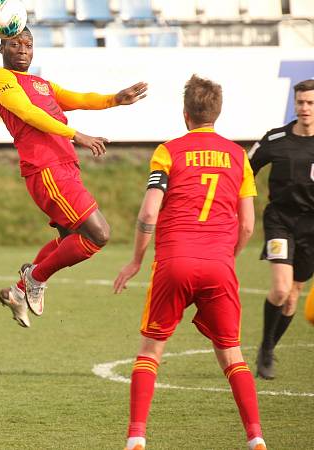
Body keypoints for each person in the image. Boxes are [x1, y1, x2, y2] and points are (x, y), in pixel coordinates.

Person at [113, 75, 265, 450]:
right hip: (219, 266)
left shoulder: (168, 151)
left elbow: (150, 209)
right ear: (218, 112)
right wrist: (226, 258)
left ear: (185, 114)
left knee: (151, 350)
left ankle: (136, 437)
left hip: (174, 262)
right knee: (232, 354)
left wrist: (135, 259)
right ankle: (256, 436)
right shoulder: (238, 157)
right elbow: (247, 224)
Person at [0, 27, 148, 327]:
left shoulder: (40, 83)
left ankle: (20, 291)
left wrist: (115, 99)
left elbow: (78, 98)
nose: (22, 49)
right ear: (2, 49)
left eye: (28, 44)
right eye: (14, 44)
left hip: (64, 167)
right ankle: (35, 277)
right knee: (99, 234)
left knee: (70, 239)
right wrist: (77, 135)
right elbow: (29, 114)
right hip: (45, 168)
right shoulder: (1, 79)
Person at [248, 79, 314, 380]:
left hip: (311, 228)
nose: (305, 108)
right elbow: (245, 170)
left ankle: (268, 347)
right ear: (294, 104)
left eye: (310, 103)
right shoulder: (275, 139)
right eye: (300, 102)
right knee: (280, 288)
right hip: (280, 222)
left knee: (293, 295)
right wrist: (240, 205)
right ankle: (266, 350)